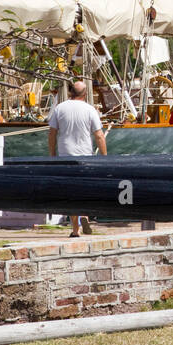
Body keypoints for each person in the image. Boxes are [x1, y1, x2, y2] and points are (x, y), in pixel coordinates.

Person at [48, 80, 108, 237]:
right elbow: (99, 135)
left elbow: (52, 134)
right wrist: (104, 157)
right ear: (85, 94)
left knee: (70, 192)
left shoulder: (60, 108)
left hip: (65, 156)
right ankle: (84, 215)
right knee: (85, 189)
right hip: (85, 156)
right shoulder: (90, 110)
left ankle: (76, 229)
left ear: (70, 93)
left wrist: (52, 155)